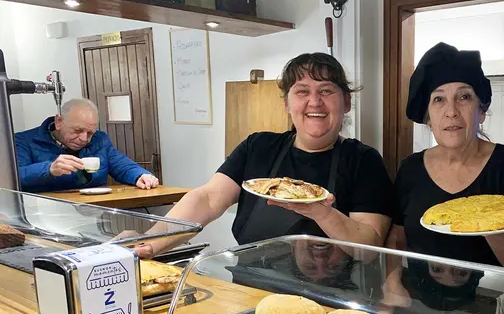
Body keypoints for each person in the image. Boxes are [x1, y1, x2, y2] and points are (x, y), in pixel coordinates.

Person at [132, 52, 394, 258]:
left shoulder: (364, 161)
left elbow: (369, 248)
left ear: (346, 102)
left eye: (326, 90)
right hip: (251, 290)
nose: (314, 101)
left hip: (329, 304)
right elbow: (207, 198)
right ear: (286, 103)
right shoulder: (258, 146)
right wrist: (153, 241)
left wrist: (322, 213)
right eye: (302, 91)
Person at [385, 42, 504, 271]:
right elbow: (397, 237)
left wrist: (487, 221)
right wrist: (393, 285)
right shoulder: (410, 169)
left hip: (488, 301)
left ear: (482, 110)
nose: (451, 112)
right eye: (438, 99)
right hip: (418, 300)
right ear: (428, 118)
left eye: (464, 97)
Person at [14, 98, 159, 192]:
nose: (84, 139)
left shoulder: (100, 140)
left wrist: (140, 175)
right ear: (59, 122)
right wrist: (49, 169)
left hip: (96, 212)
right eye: (78, 131)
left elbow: (122, 166)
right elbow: (14, 178)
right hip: (43, 214)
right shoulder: (24, 141)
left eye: (90, 132)